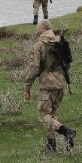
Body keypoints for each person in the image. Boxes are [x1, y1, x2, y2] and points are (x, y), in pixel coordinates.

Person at [23, 19, 76, 153]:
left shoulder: (39, 45)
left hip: (47, 85)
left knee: (44, 115)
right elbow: (67, 63)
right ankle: (51, 145)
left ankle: (66, 131)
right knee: (52, 114)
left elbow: (35, 68)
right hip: (61, 84)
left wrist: (27, 87)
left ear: (41, 30)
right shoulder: (59, 42)